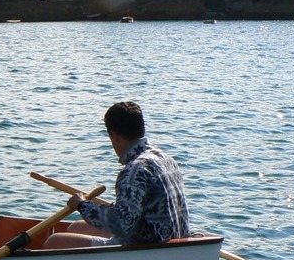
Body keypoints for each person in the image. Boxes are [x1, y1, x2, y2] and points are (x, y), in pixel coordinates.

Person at [44, 101, 189, 248]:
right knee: (76, 228)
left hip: (146, 248)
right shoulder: (166, 159)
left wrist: (83, 206)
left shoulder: (134, 170)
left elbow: (121, 224)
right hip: (171, 240)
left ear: (114, 135)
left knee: (54, 241)